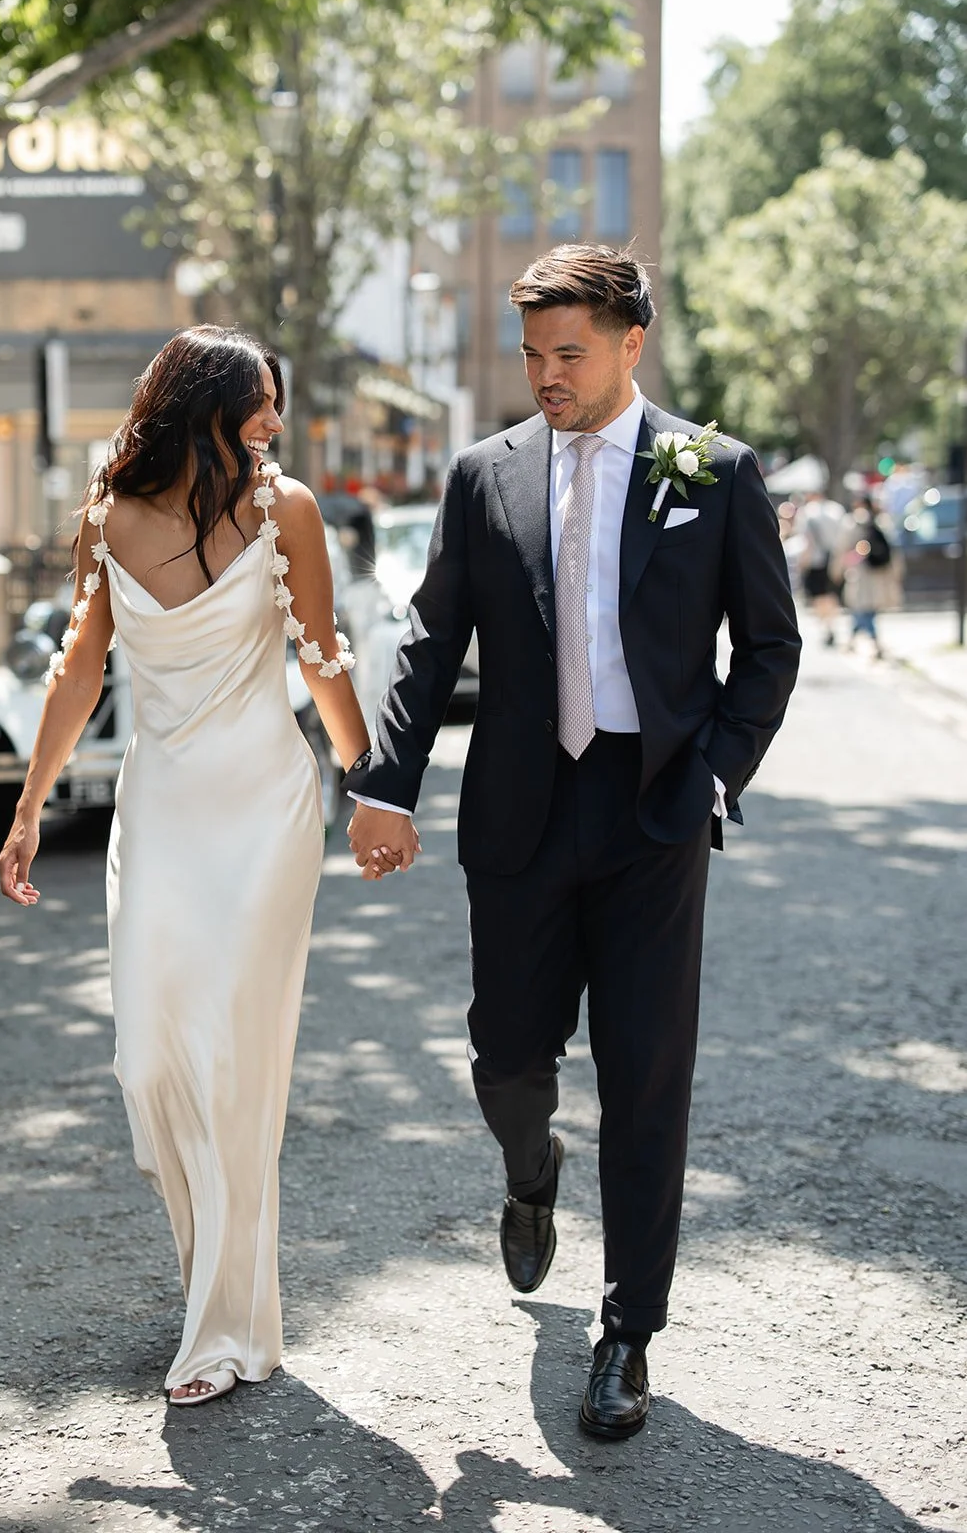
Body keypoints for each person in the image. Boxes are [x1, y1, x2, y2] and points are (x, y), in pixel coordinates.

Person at [346, 245, 801, 1439]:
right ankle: (529, 1169)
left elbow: (769, 646)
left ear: (630, 344)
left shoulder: (715, 471)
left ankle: (628, 1332)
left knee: (646, 1074)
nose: (547, 375)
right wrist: (385, 785)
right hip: (519, 811)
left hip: (655, 814)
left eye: (570, 353)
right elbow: (432, 641)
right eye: (532, 355)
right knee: (506, 1059)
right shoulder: (481, 476)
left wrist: (713, 777)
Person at [0, 327, 373, 1406]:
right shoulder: (106, 517)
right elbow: (78, 671)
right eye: (261, 402)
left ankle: (225, 1327)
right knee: (151, 1060)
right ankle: (220, 1289)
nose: (275, 422)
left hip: (264, 809)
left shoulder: (285, 510)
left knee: (231, 1060)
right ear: (202, 405)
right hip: (159, 811)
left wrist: (369, 788)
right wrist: (28, 807)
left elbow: (321, 658)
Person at [829, 491, 902, 659]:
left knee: (862, 609)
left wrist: (837, 571)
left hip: (859, 574)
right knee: (866, 610)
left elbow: (841, 549)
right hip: (879, 574)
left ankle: (872, 642)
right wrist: (896, 573)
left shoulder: (852, 523)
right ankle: (856, 640)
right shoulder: (882, 522)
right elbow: (893, 551)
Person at [794, 488, 845, 646]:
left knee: (818, 596)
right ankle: (832, 624)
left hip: (815, 561)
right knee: (831, 595)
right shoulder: (837, 510)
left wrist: (802, 563)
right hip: (835, 559)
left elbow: (807, 541)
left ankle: (826, 627)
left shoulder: (807, 513)